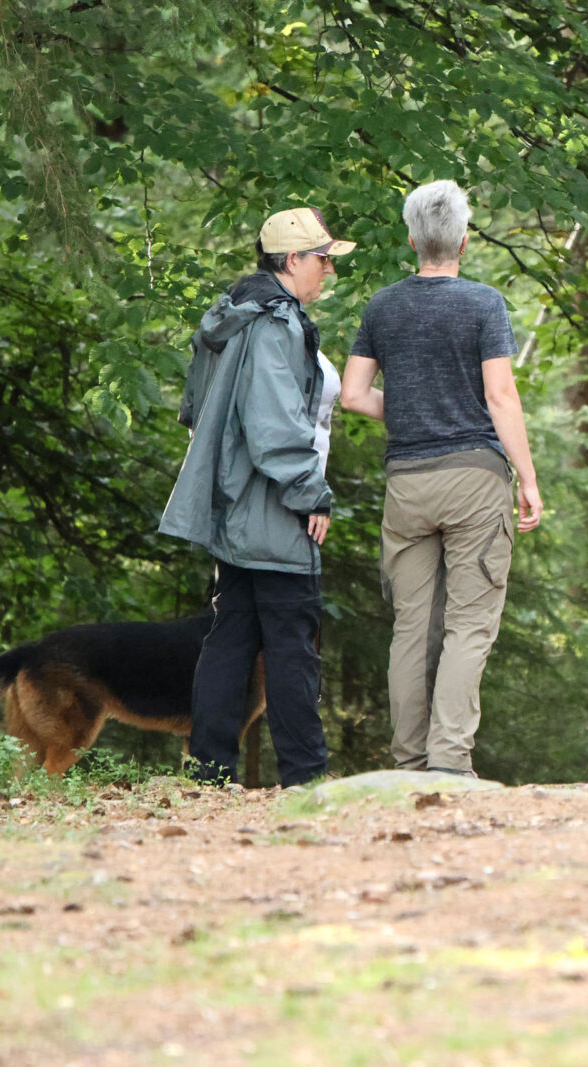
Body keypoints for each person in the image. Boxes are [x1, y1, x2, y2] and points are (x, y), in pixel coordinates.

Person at [341, 179, 542, 779]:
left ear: (412, 239)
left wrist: (406, 408)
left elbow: (352, 395)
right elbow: (500, 396)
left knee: (410, 628)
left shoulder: (382, 306)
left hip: (407, 480)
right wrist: (527, 479)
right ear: (462, 240)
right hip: (475, 481)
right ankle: (450, 764)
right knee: (468, 626)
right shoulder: (483, 304)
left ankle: (406, 763)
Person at [160, 206, 355, 788]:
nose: (328, 272)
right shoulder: (275, 324)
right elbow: (274, 426)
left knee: (232, 635)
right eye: (323, 260)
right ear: (292, 260)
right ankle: (305, 777)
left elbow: (194, 409)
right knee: (292, 642)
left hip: (233, 502)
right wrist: (311, 494)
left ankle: (210, 773)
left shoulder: (234, 316)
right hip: (271, 505)